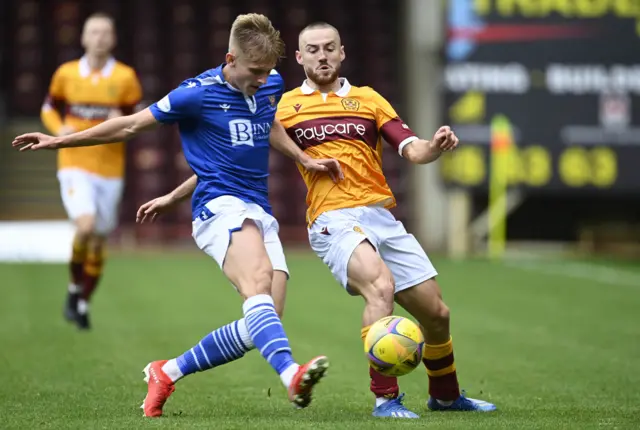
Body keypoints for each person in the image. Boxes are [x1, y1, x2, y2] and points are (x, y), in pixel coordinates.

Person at [136, 22, 498, 419]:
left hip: (379, 215)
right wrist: (173, 196)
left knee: (436, 313)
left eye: (329, 48)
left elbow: (412, 150)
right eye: (313, 49)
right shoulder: (284, 104)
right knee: (381, 287)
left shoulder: (369, 99)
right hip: (331, 219)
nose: (322, 55)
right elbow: (227, 162)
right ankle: (386, 399)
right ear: (300, 57)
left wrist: (435, 145)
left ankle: (445, 396)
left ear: (342, 53)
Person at [14, 13, 342, 418]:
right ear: (230, 59)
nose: (263, 79)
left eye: (268, 71)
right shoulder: (195, 94)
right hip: (218, 206)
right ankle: (291, 374)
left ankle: (166, 371)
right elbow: (130, 126)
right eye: (255, 71)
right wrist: (59, 141)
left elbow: (267, 123)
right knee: (257, 284)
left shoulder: (270, 82)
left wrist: (303, 158)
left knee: (264, 321)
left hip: (257, 206)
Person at [40, 12, 142, 330]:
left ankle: (82, 303)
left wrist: (120, 121)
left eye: (104, 32)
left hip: (110, 169)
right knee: (85, 226)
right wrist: (60, 131)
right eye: (93, 32)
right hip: (74, 164)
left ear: (112, 39)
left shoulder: (125, 77)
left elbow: (136, 121)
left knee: (98, 239)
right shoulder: (66, 74)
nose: (99, 37)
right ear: (83, 38)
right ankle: (73, 291)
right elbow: (48, 108)